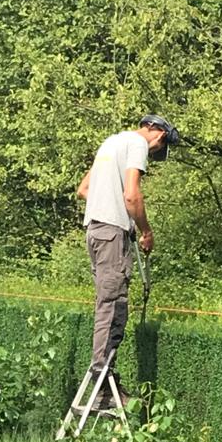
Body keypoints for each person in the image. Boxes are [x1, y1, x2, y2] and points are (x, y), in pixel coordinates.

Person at [77, 114, 179, 405]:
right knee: (113, 306)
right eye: (159, 146)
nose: (156, 151)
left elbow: (84, 190)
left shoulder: (110, 143)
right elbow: (132, 195)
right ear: (156, 131)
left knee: (106, 303)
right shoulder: (136, 144)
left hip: (95, 232)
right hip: (110, 236)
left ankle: (103, 379)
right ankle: (103, 386)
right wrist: (145, 231)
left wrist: (115, 211)